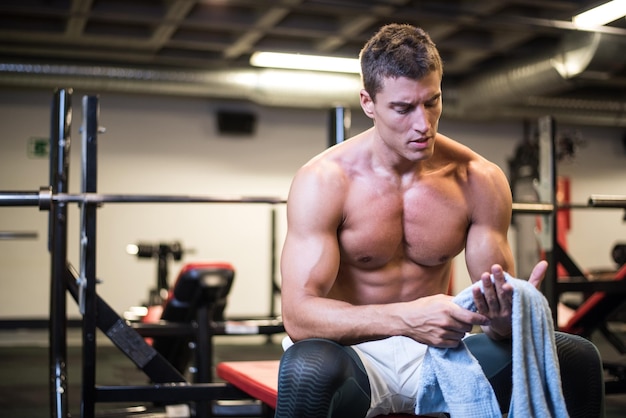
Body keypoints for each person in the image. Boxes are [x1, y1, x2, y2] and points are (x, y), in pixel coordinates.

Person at [275, 23, 602, 418]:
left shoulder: (477, 179)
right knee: (306, 368)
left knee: (577, 357)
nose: (423, 124)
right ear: (368, 102)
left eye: (432, 102)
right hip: (354, 353)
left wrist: (505, 318)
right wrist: (407, 318)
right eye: (403, 107)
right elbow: (298, 315)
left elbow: (499, 324)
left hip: (439, 352)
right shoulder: (324, 181)